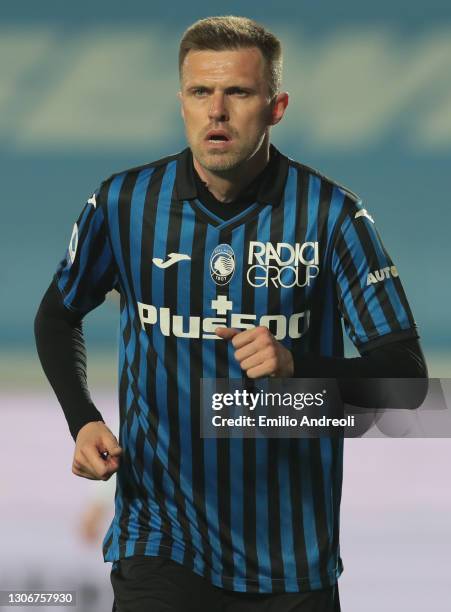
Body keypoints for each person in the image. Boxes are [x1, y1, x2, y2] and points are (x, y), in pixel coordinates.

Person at [34, 15, 427, 612]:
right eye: (200, 92)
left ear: (276, 107)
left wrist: (298, 367)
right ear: (182, 102)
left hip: (293, 562)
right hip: (160, 544)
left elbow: (408, 384)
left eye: (238, 92)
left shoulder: (332, 217)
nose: (216, 111)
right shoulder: (123, 204)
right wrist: (82, 419)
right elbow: (57, 318)